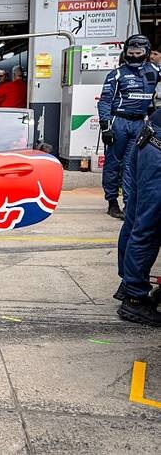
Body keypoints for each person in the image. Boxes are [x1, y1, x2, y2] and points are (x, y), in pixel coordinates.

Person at [98, 35, 158, 219]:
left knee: (131, 164)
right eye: (131, 52)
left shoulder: (154, 70)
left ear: (146, 53)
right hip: (119, 122)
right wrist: (105, 126)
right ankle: (112, 202)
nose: (134, 56)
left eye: (138, 52)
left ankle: (129, 204)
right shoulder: (116, 74)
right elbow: (105, 101)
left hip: (140, 123)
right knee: (113, 163)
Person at [114, 108, 161, 326]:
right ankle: (134, 298)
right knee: (150, 226)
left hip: (149, 138)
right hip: (156, 148)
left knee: (136, 219)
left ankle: (129, 285)